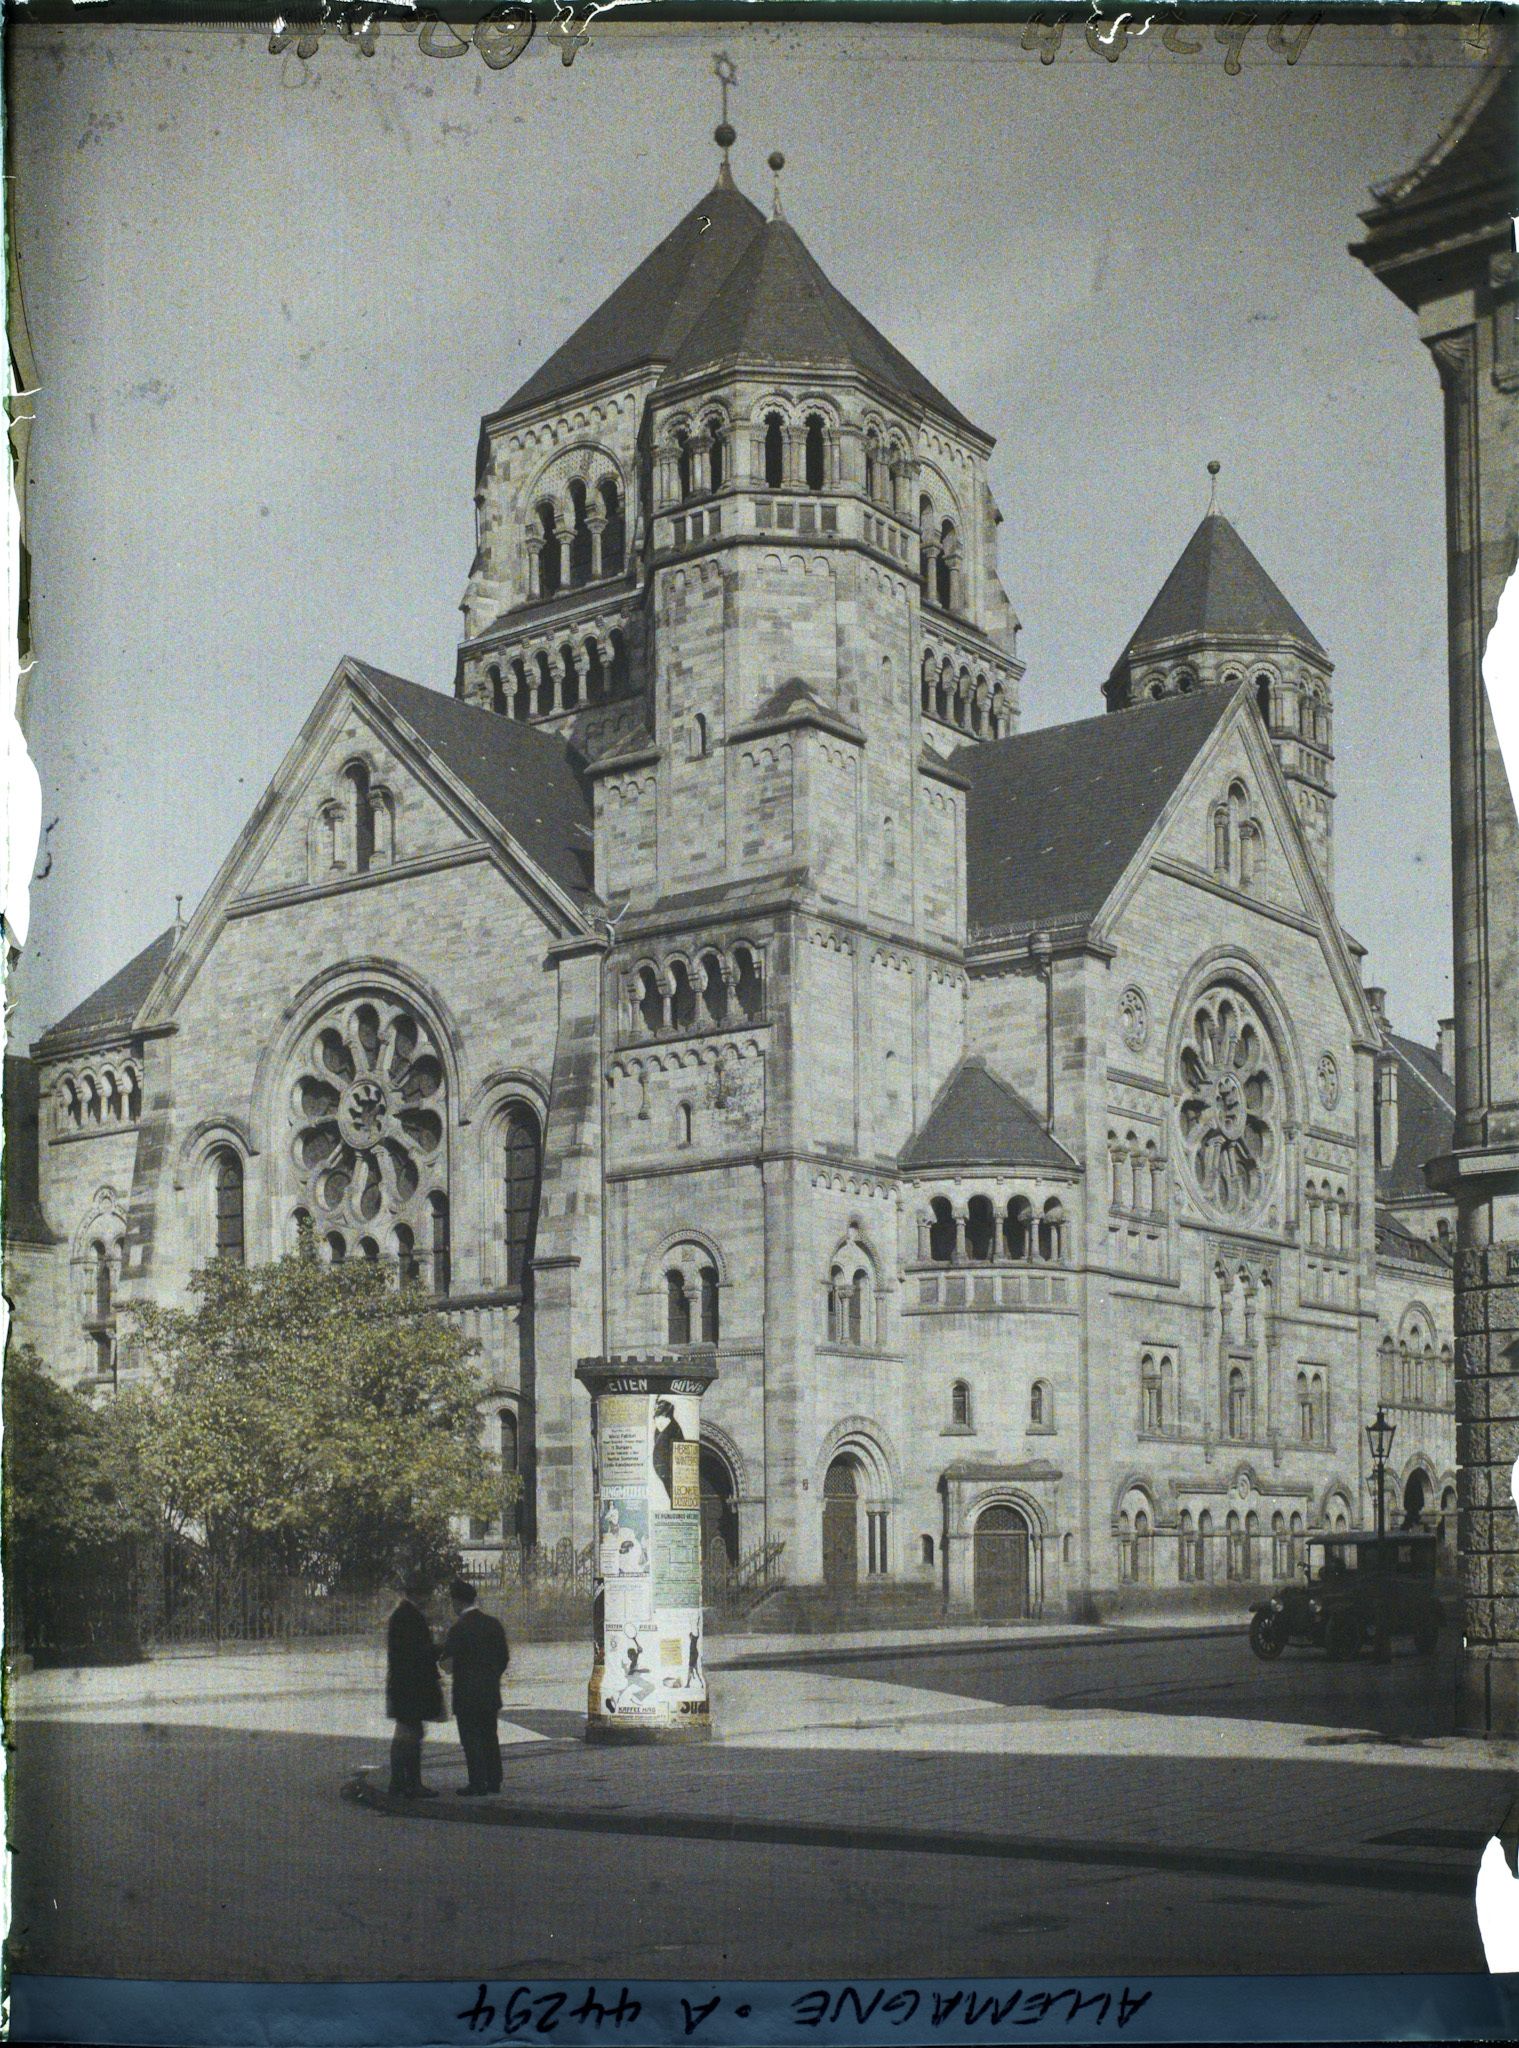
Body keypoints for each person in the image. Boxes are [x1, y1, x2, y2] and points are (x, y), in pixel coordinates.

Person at [439, 1576, 511, 1797]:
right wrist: (491, 1676)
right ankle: (494, 1780)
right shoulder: (493, 1624)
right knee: (490, 1735)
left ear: (458, 1602)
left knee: (471, 1738)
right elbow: (504, 1658)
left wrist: (443, 1664)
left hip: (466, 1693)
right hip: (490, 1691)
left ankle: (477, 1782)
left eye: (452, 1602)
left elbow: (448, 1664)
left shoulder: (458, 1629)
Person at [386, 1571, 444, 1797]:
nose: (430, 1598)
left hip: (403, 1684)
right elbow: (417, 1652)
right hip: (410, 1686)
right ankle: (409, 1784)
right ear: (420, 1594)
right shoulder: (409, 1616)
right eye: (428, 1593)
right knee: (410, 1735)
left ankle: (401, 1782)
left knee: (408, 1734)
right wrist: (440, 1648)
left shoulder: (403, 1614)